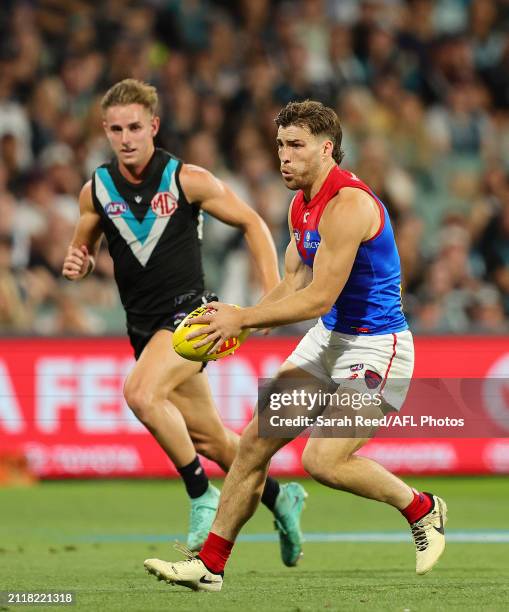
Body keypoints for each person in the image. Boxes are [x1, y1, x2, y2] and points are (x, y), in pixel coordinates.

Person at [144, 100, 448, 592]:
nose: (283, 156)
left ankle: (422, 507)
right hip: (328, 340)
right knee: (251, 445)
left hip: (377, 349)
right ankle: (211, 567)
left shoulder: (349, 205)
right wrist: (241, 325)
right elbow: (294, 284)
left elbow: (320, 296)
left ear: (327, 149)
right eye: (281, 145)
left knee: (322, 462)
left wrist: (242, 315)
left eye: (296, 146)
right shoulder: (298, 203)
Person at [61, 79, 307, 564]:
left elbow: (253, 223)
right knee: (212, 439)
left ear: (153, 125)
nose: (126, 138)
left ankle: (201, 496)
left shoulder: (185, 178)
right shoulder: (96, 191)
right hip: (143, 327)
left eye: (134, 126)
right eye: (115, 129)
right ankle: (282, 498)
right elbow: (81, 248)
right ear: (105, 132)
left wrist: (271, 294)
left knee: (140, 393)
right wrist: (80, 263)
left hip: (192, 318)